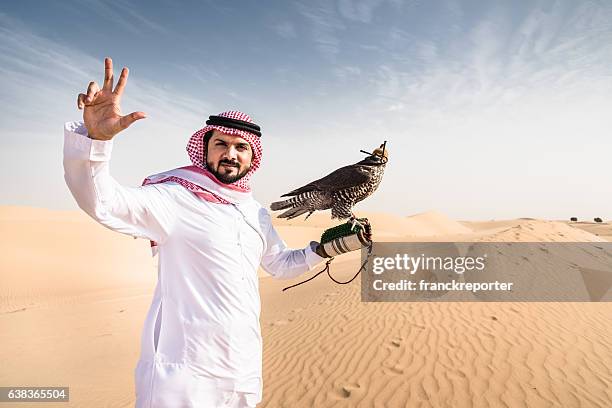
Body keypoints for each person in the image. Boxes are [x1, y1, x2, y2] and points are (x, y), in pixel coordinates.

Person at [63, 58, 329, 407]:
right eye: (221, 144)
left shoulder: (254, 213)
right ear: (205, 149)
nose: (230, 154)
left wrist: (325, 250)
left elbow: (280, 264)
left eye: (240, 147)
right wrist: (96, 143)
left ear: (253, 157)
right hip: (185, 376)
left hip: (242, 371)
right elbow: (103, 203)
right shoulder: (175, 196)